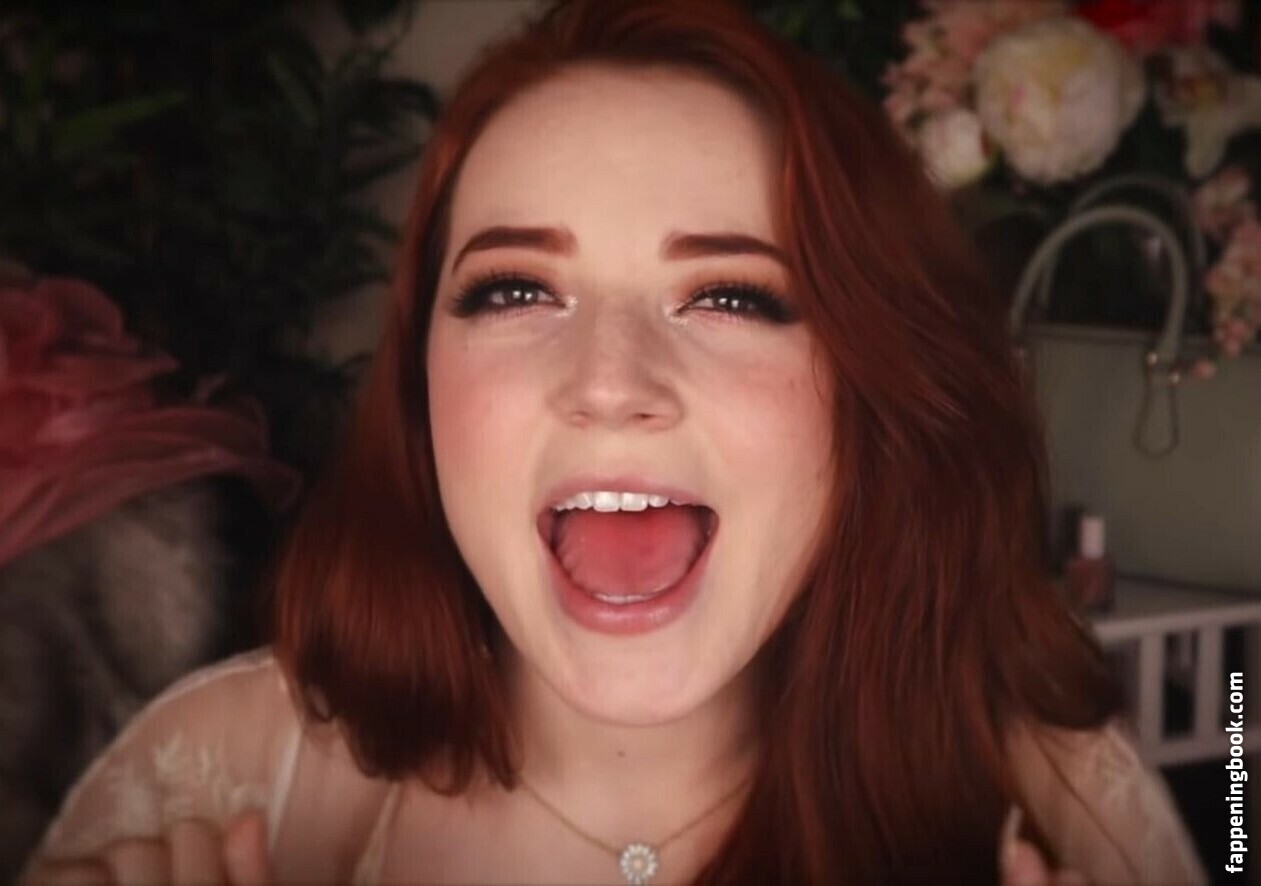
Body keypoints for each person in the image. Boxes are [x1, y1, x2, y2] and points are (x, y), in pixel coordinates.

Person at [22, 0, 1209, 883]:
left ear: (868, 387)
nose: (608, 384)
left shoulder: (1054, 784)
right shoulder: (217, 774)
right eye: (514, 291)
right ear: (421, 382)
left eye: (732, 295)